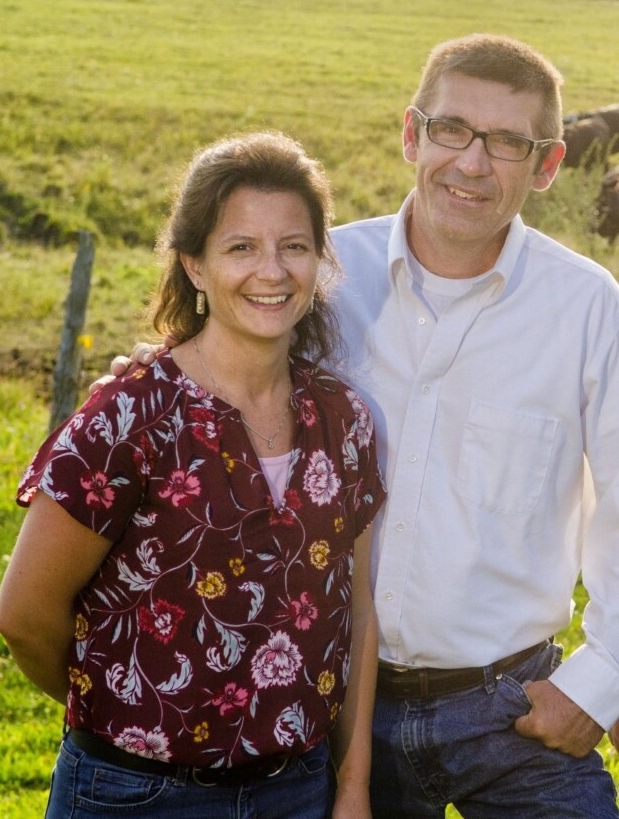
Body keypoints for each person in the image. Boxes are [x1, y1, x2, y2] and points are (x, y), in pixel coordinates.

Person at [95, 33, 619, 816]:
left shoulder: (587, 306)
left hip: (511, 709)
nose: (472, 163)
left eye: (509, 142)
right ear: (412, 135)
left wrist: (596, 683)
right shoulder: (321, 276)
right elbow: (218, 365)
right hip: (330, 702)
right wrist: (146, 373)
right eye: (451, 130)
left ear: (546, 165)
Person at [0, 131, 387, 819]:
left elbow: (355, 614)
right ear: (195, 266)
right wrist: (124, 712)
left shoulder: (343, 420)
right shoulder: (130, 415)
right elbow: (25, 614)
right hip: (133, 794)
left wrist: (351, 786)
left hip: (296, 791)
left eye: (293, 246)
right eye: (240, 247)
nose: (271, 271)